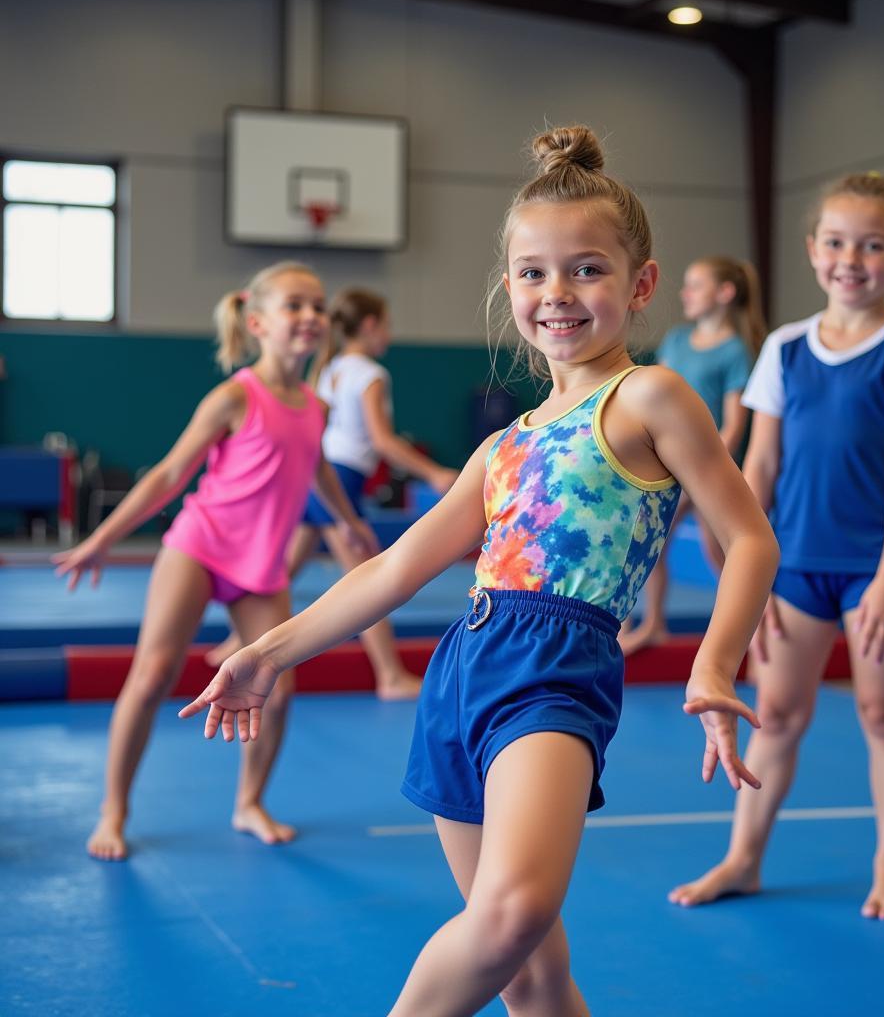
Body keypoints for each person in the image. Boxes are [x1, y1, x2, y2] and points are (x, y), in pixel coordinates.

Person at [180, 126, 779, 1015]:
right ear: (510, 287)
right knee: (532, 974)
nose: (558, 293)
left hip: (558, 672)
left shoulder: (650, 396)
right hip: (467, 670)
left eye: (587, 268)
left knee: (510, 915)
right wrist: (270, 652)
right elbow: (392, 569)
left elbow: (752, 539)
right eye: (534, 272)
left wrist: (715, 659)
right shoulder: (504, 446)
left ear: (640, 283)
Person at [669, 173, 884, 921]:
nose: (850, 258)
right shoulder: (785, 349)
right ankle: (743, 858)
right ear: (811, 249)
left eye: (872, 245)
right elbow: (757, 469)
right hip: (791, 566)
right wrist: (740, 575)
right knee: (780, 712)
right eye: (835, 241)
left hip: (875, 569)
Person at [54, 261, 375, 861]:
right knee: (150, 677)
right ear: (257, 322)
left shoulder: (315, 406)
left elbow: (318, 467)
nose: (311, 317)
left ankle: (249, 802)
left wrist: (349, 522)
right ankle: (115, 808)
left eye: (317, 306)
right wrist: (103, 538)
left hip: (260, 565)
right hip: (199, 546)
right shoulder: (234, 396)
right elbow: (170, 475)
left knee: (276, 690)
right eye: (294, 306)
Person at [205, 288, 458, 700]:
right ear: (371, 326)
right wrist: (433, 472)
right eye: (387, 326)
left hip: (316, 470)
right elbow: (383, 440)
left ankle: (243, 635)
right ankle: (390, 675)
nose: (389, 336)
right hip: (338, 477)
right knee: (366, 582)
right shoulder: (371, 374)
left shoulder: (329, 367)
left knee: (285, 567)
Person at [619, 256, 765, 656]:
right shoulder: (677, 341)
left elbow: (735, 423)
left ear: (724, 294)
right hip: (668, 463)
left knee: (719, 550)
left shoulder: (735, 351)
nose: (685, 293)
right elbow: (655, 401)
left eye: (696, 285)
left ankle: (755, 623)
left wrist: (705, 467)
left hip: (706, 465)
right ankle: (651, 624)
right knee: (649, 544)